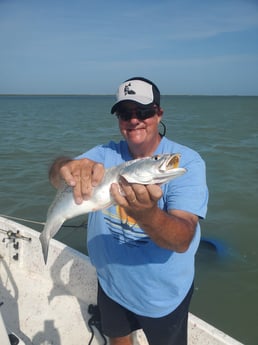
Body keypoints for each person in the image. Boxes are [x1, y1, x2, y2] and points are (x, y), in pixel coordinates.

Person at [49, 77, 208, 345]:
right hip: (111, 284)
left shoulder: (187, 162)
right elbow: (57, 174)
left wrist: (148, 214)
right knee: (118, 340)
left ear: (159, 114)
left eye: (143, 112)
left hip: (162, 296)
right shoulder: (104, 154)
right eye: (125, 113)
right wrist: (65, 167)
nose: (134, 120)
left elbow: (182, 240)